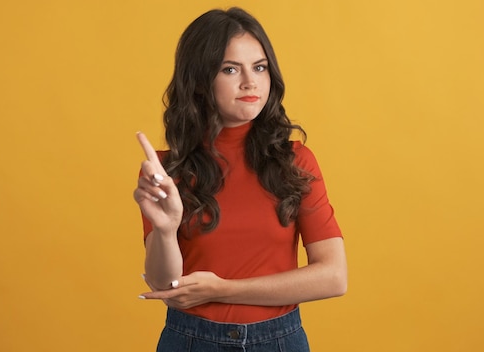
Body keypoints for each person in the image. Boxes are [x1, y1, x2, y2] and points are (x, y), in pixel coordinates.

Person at [134, 7, 347, 352]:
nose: (250, 82)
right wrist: (165, 227)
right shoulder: (166, 170)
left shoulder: (295, 162)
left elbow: (334, 277)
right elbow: (166, 286)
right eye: (230, 69)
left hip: (279, 341)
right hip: (190, 340)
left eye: (259, 67)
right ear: (201, 82)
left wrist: (223, 289)